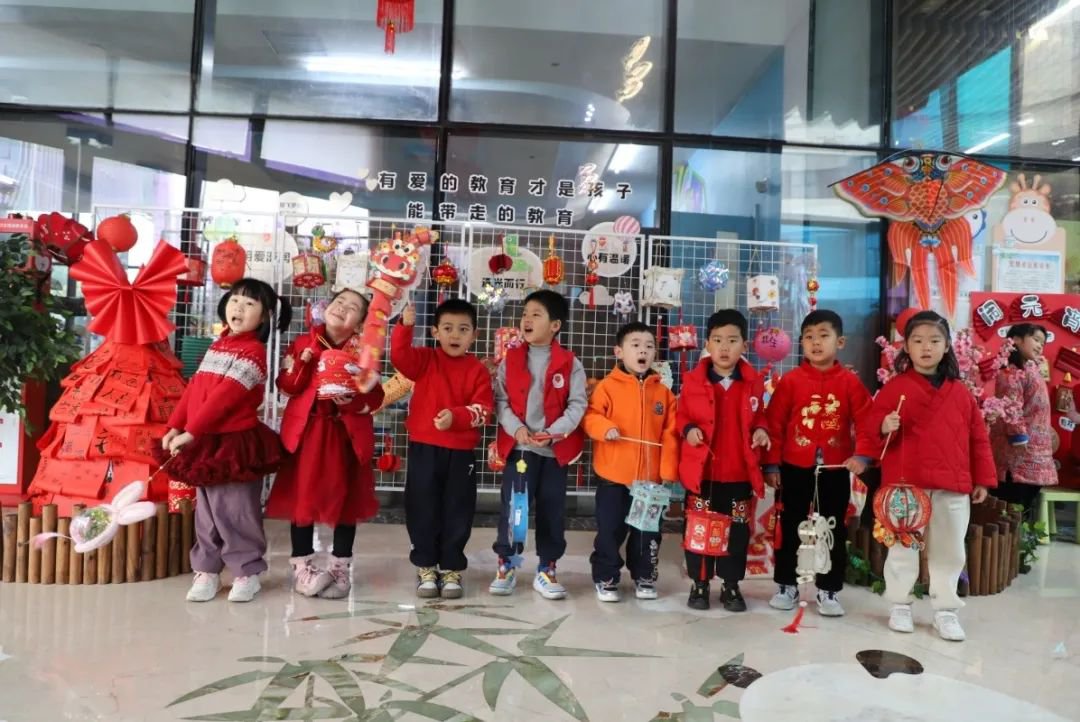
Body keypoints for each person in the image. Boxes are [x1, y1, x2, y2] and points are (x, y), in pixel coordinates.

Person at [867, 310, 995, 642]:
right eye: (918, 341)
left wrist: (982, 478)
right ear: (906, 346)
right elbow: (869, 428)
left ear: (947, 346)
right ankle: (900, 604)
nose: (926, 347)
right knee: (903, 546)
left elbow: (978, 438)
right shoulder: (895, 388)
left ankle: (945, 610)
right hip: (906, 484)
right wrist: (883, 426)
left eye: (934, 340)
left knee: (950, 549)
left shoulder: (961, 392)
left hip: (952, 482)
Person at [161, 278, 291, 603]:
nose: (239, 308)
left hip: (234, 444)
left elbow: (224, 399)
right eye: (235, 300)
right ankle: (206, 570)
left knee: (236, 511)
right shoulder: (218, 346)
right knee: (206, 512)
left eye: (249, 304)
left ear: (264, 317)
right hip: (203, 440)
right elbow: (194, 389)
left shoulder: (254, 353)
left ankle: (247, 572)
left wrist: (191, 431)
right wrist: (175, 425)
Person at [266, 288, 385, 600]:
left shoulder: (365, 352)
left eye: (353, 307)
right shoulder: (303, 343)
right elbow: (287, 385)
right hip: (308, 431)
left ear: (361, 323)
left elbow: (376, 397)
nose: (343, 308)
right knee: (301, 500)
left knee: (347, 500)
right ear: (326, 307)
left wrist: (353, 402)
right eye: (339, 302)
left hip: (346, 434)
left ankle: (340, 567)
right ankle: (302, 567)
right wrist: (302, 364)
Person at [762, 310, 875, 617]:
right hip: (794, 467)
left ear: (840, 342)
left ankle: (829, 590)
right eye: (809, 337)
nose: (815, 343)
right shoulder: (790, 381)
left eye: (823, 336)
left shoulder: (850, 383)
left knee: (832, 529)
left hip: (835, 469)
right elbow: (774, 425)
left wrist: (862, 456)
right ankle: (786, 585)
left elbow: (867, 421)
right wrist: (771, 466)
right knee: (790, 526)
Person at [390, 297, 493, 599]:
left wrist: (456, 418)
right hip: (424, 448)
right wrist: (405, 325)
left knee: (457, 510)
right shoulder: (424, 359)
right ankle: (425, 566)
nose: (455, 335)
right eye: (447, 328)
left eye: (463, 329)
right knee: (421, 507)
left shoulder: (477, 370)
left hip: (460, 453)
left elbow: (483, 411)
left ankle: (451, 568)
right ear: (435, 332)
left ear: (474, 335)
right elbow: (399, 357)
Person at [490, 289, 586, 600]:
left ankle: (547, 568)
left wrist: (554, 433)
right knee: (515, 511)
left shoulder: (570, 363)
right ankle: (508, 564)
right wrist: (517, 429)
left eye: (536, 314)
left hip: (554, 453)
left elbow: (577, 405)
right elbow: (501, 400)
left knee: (552, 511)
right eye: (525, 314)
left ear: (555, 325)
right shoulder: (511, 360)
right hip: (520, 451)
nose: (527, 320)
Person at [677, 309, 770, 612]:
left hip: (739, 474)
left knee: (737, 533)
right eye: (717, 340)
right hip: (703, 474)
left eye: (732, 340)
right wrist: (688, 430)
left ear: (745, 345)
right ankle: (700, 584)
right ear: (707, 344)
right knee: (699, 530)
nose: (724, 347)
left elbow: (761, 417)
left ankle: (731, 585)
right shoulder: (693, 381)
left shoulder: (753, 383)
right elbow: (681, 416)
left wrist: (761, 431)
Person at [583, 321, 679, 602]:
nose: (643, 351)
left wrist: (667, 471)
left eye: (649, 346)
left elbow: (671, 434)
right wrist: (604, 428)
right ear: (619, 352)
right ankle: (606, 576)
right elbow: (590, 416)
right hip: (613, 477)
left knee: (647, 532)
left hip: (650, 483)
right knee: (609, 530)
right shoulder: (606, 387)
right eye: (635, 345)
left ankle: (645, 575)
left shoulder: (663, 393)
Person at [990, 323, 1056, 520]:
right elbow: (1011, 408)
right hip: (1018, 456)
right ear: (1016, 340)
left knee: (1021, 512)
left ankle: (1018, 538)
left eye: (1042, 343)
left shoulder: (1031, 369)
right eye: (1036, 340)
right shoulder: (1010, 372)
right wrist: (1019, 438)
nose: (1040, 346)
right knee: (1009, 513)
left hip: (1037, 454)